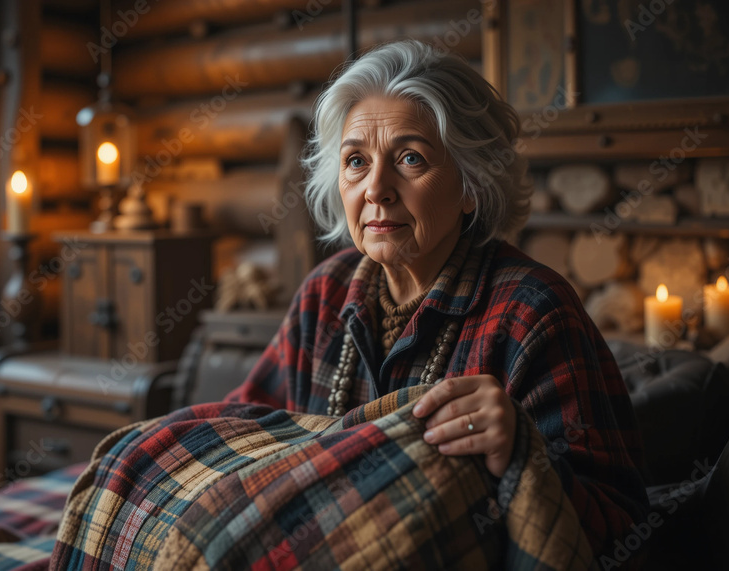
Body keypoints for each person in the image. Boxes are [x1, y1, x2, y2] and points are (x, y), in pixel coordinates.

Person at [226, 40, 649, 564]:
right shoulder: (325, 292)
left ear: (470, 184)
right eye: (356, 161)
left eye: (410, 158)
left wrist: (522, 452)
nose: (376, 189)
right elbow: (243, 439)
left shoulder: (533, 311)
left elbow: (624, 529)